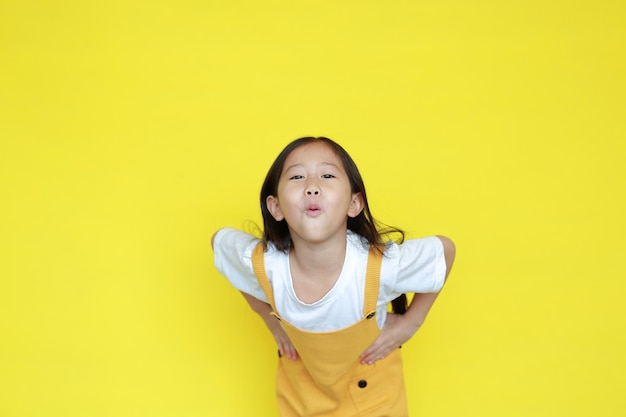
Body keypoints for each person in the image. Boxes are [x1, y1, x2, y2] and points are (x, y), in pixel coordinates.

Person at [212, 136, 456, 416]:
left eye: (327, 175)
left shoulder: (378, 266)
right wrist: (268, 318)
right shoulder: (263, 264)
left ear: (354, 203)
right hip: (302, 396)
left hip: (375, 395)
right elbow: (219, 244)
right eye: (297, 176)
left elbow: (444, 251)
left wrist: (411, 323)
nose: (312, 187)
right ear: (275, 207)